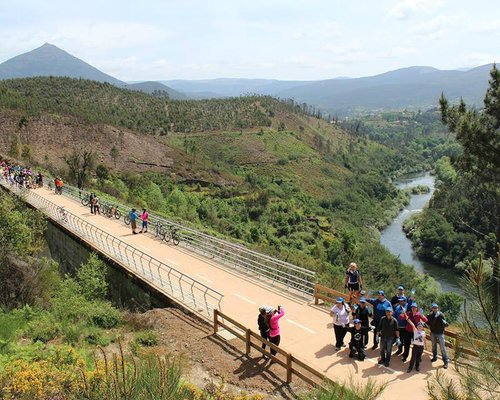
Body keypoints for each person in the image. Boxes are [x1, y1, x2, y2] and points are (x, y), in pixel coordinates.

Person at [427, 303, 449, 369]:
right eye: (433, 308)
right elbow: (427, 322)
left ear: (438, 308)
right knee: (434, 345)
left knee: (442, 347)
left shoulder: (441, 315)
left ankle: (445, 361)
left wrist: (445, 324)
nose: (435, 309)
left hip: (440, 333)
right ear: (432, 308)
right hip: (433, 332)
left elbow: (446, 324)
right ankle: (434, 357)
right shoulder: (430, 315)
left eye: (436, 307)